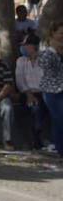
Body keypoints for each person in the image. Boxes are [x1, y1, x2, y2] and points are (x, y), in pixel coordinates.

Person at [15, 33, 49, 151]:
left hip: (44, 93)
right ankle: (36, 140)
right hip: (27, 93)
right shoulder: (21, 61)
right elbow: (20, 80)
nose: (23, 48)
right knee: (35, 107)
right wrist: (29, 94)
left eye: (25, 45)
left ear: (33, 46)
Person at [37, 20, 63, 157]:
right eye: (61, 33)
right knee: (60, 118)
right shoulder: (46, 49)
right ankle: (60, 149)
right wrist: (55, 50)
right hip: (52, 91)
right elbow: (45, 66)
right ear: (53, 33)